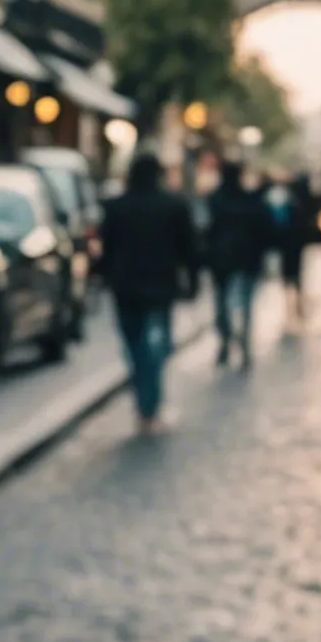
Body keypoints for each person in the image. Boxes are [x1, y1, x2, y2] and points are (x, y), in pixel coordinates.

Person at [98, 153, 198, 433]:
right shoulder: (174, 206)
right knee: (156, 346)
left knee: (135, 346)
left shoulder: (116, 206)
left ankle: (145, 402)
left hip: (126, 286)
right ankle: (149, 403)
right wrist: (192, 282)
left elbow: (107, 249)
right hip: (160, 285)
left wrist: (104, 278)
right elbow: (188, 248)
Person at [202, 160, 272, 368]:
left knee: (223, 304)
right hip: (246, 259)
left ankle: (227, 342)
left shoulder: (215, 200)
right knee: (245, 306)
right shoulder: (250, 201)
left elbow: (207, 231)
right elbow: (264, 231)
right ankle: (243, 346)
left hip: (222, 261)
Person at [273, 172, 321, 324]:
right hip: (297, 243)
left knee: (291, 276)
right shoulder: (303, 201)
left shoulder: (289, 202)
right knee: (296, 276)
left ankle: (293, 306)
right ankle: (296, 306)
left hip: (290, 244)